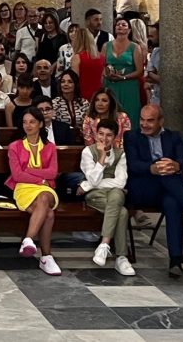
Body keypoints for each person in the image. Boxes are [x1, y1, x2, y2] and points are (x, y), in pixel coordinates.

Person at [124, 105, 183, 278]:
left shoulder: (174, 137)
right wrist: (152, 168)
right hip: (143, 189)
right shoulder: (131, 137)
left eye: (150, 120)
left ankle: (176, 260)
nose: (144, 124)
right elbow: (132, 165)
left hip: (167, 191)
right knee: (165, 172)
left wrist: (176, 165)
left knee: (172, 202)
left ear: (161, 121)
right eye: (142, 119)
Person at [8, 107, 62, 275]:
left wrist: (30, 172)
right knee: (48, 214)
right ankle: (46, 257)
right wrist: (41, 178)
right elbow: (17, 175)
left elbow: (53, 173)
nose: (28, 125)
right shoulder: (15, 146)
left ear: (40, 124)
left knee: (44, 196)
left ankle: (28, 239)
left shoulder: (50, 147)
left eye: (32, 122)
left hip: (46, 188)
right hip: (24, 189)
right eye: (25, 122)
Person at [79, 118, 136, 276]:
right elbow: (94, 179)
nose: (104, 138)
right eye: (101, 134)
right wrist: (102, 158)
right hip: (96, 196)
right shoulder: (88, 152)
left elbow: (120, 182)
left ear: (115, 137)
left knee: (117, 194)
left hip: (113, 194)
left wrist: (87, 185)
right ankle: (121, 257)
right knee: (122, 212)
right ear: (96, 134)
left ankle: (104, 245)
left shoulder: (121, 154)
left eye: (109, 135)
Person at [103, 18, 144, 130]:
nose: (120, 26)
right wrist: (107, 74)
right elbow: (102, 65)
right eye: (118, 25)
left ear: (129, 30)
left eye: (124, 25)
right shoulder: (106, 46)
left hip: (129, 86)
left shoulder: (135, 47)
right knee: (111, 115)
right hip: (111, 84)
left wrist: (124, 77)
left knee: (130, 115)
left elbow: (140, 71)